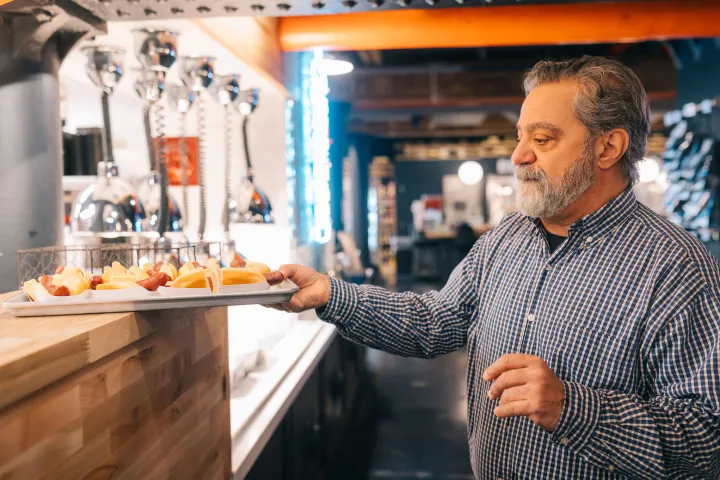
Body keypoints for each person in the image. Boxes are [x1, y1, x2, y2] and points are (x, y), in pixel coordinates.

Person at [271, 57, 720, 479]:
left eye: (542, 139)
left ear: (608, 147)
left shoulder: (676, 268)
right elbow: (434, 322)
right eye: (520, 137)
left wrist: (574, 409)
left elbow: (708, 436)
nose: (518, 156)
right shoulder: (508, 237)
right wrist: (331, 293)